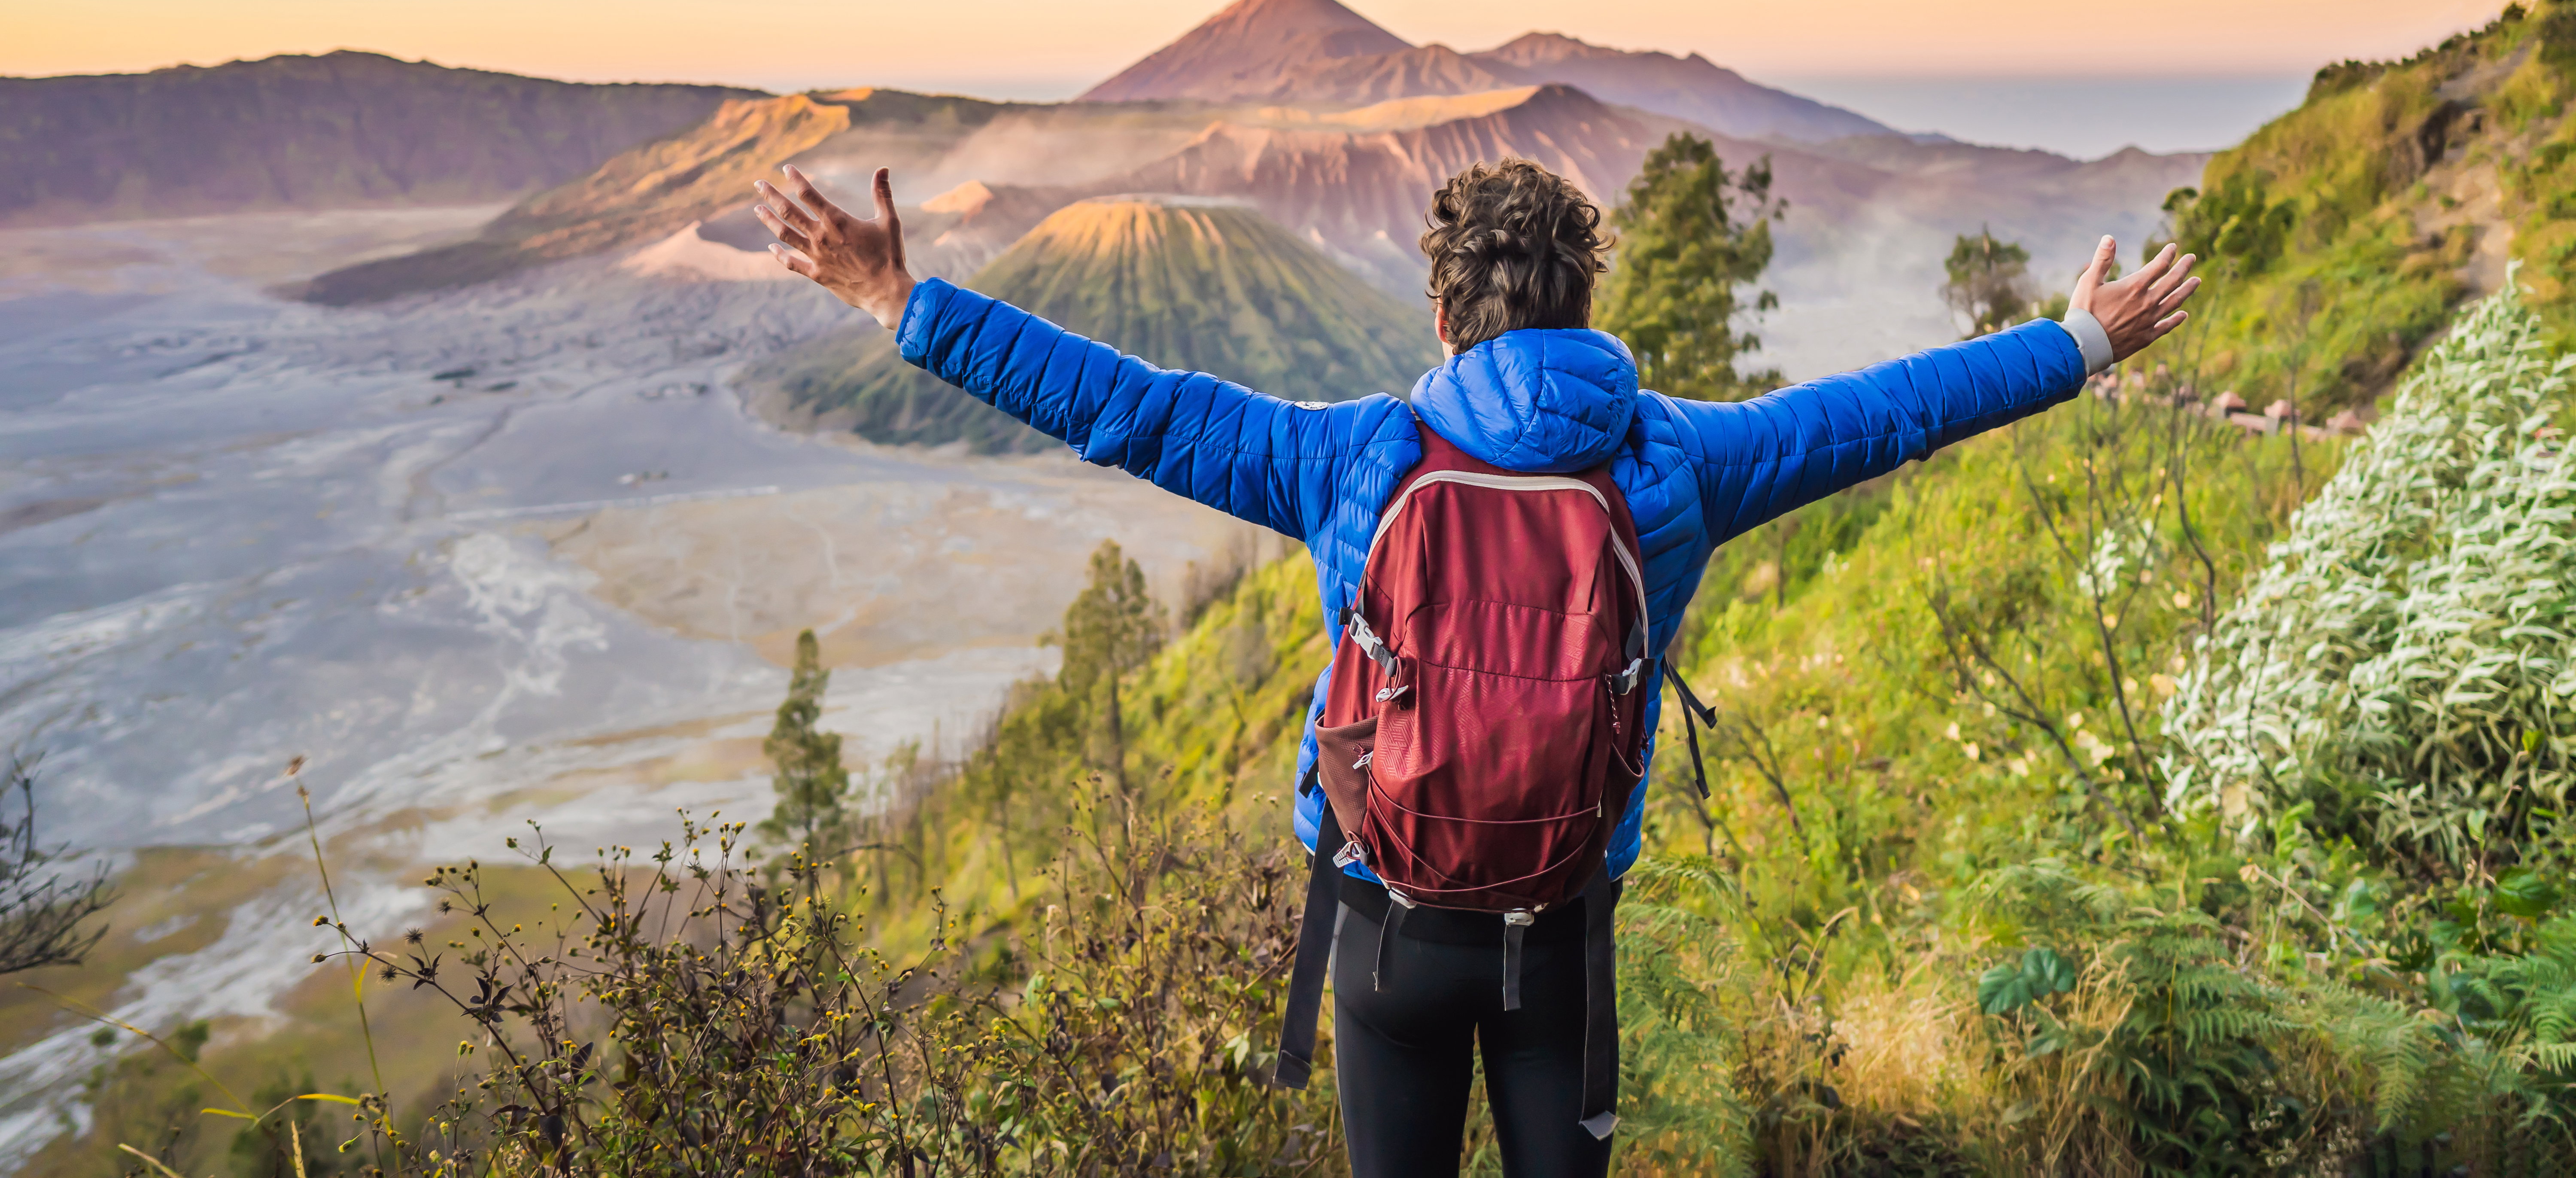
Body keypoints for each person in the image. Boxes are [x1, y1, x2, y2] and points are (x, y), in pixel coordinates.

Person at [751, 158, 2196, 1178]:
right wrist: (2079, 341)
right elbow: (1885, 415)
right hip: (1563, 932)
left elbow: (1130, 409)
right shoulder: (1673, 461)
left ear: (1445, 317)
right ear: (1585, 305)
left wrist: (906, 304)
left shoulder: (1356, 458)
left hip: (1387, 938)